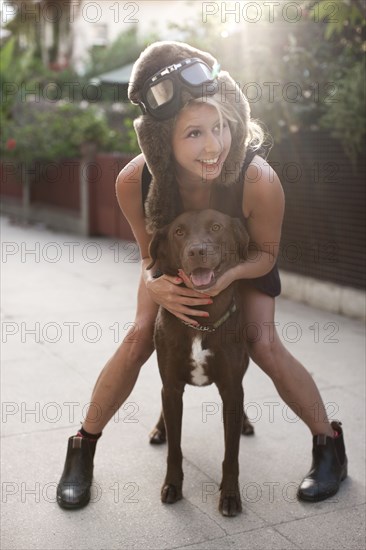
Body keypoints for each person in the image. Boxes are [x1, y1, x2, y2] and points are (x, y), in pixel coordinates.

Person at [57, 41, 347, 510]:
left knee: (262, 342)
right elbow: (150, 254)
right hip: (176, 260)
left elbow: (266, 257)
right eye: (193, 134)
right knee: (138, 338)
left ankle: (329, 444)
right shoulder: (135, 181)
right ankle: (81, 448)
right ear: (162, 140)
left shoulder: (259, 180)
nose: (213, 145)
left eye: (219, 127)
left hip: (243, 259)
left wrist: (224, 275)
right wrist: (157, 285)